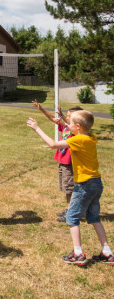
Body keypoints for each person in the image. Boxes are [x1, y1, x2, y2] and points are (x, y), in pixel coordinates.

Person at [27, 110, 114, 266]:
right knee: (94, 217)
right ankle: (107, 252)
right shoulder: (90, 137)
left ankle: (78, 253)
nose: (68, 125)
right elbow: (72, 127)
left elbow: (53, 144)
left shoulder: (78, 139)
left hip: (84, 185)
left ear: (78, 127)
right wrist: (65, 122)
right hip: (96, 183)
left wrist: (37, 128)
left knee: (72, 218)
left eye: (71, 123)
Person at [31, 100, 83, 222]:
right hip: (63, 163)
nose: (65, 117)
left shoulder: (76, 132)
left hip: (70, 164)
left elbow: (63, 121)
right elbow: (53, 119)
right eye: (67, 115)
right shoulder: (66, 128)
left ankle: (71, 211)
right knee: (66, 188)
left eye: (69, 116)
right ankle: (68, 208)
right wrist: (41, 108)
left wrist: (63, 118)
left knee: (70, 188)